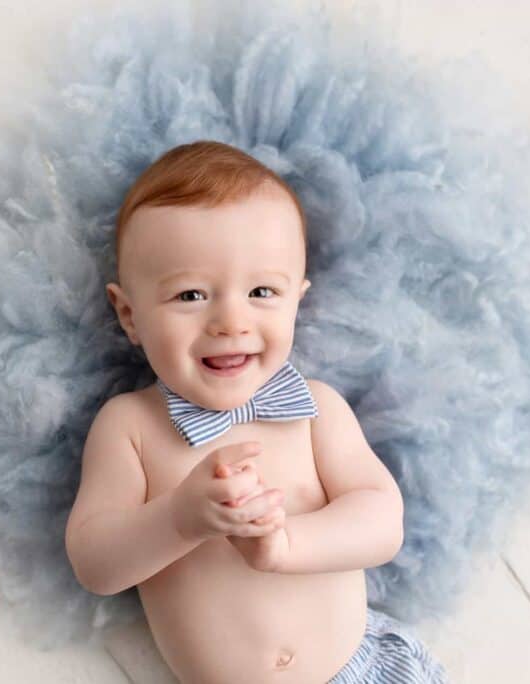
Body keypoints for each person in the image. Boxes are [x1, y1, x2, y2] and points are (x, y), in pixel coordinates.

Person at [65, 140, 449, 683]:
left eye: (262, 290)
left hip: (362, 669)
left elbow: (383, 522)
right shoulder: (131, 428)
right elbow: (95, 563)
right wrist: (178, 519)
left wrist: (286, 544)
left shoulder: (317, 411)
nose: (230, 321)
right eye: (191, 295)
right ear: (130, 314)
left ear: (297, 301)